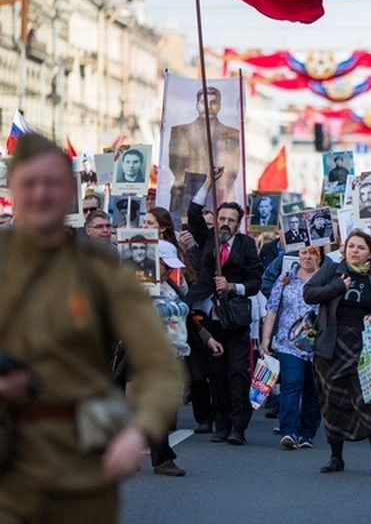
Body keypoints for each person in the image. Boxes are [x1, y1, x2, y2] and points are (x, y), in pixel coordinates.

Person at [0, 134, 181, 522]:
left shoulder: (104, 271)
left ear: (68, 191)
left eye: (52, 183)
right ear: (14, 190)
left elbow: (160, 363)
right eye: (29, 183)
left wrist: (139, 430)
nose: (41, 194)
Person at [303, 230, 371, 475]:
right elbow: (309, 293)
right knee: (332, 402)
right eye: (351, 246)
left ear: (370, 254)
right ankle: (336, 458)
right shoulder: (331, 270)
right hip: (331, 347)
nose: (354, 251)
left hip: (364, 348)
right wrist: (337, 286)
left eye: (361, 248)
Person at [186, 171, 263, 446]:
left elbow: (255, 281)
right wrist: (209, 182)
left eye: (231, 220)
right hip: (210, 318)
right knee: (216, 373)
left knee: (237, 372)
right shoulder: (208, 239)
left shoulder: (246, 245)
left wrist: (233, 286)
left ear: (239, 224)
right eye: (222, 219)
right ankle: (221, 424)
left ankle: (238, 427)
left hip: (236, 318)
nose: (226, 224)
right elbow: (193, 212)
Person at [260, 246, 324, 450]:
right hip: (288, 343)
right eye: (304, 252)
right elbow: (272, 308)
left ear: (320, 256)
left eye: (313, 253)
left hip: (317, 344)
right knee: (292, 383)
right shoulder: (286, 278)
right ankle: (289, 430)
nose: (307, 257)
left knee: (312, 389)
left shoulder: (326, 279)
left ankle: (307, 433)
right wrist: (266, 339)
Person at [147, 240, 194, 477]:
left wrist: (207, 339)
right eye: (164, 265)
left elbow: (186, 316)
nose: (168, 270)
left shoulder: (171, 288)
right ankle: (162, 458)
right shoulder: (141, 289)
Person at [167, 87, 241, 219]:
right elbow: (175, 164)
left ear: (219, 106)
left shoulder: (232, 135)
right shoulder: (180, 131)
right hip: (186, 192)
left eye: (213, 103)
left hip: (217, 194)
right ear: (197, 105)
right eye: (204, 103)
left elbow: (232, 170)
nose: (208, 107)